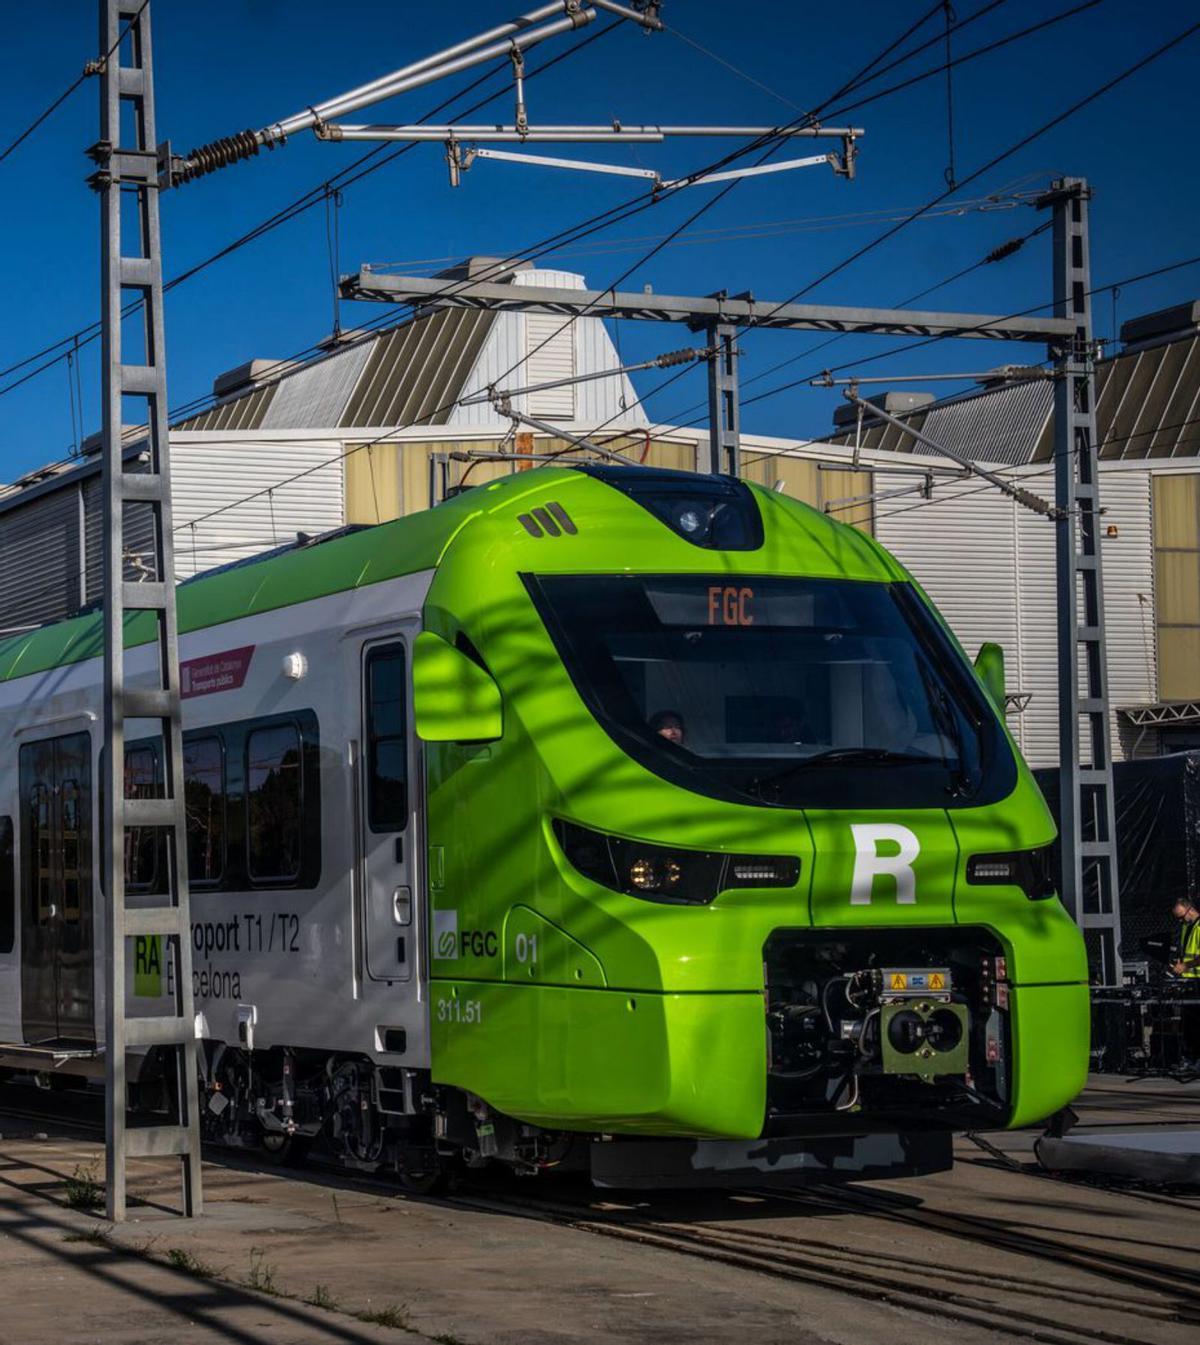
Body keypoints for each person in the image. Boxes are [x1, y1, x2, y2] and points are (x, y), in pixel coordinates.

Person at [1171, 896, 1200, 979]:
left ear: (1190, 910)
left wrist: (1186, 965)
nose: (1180, 920)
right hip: (1190, 978)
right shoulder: (1186, 926)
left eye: (1181, 917)